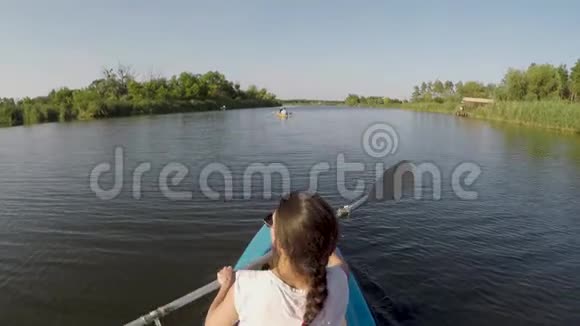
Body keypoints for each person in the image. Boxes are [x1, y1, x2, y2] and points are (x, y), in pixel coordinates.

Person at [205, 192, 349, 326]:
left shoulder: (247, 287)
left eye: (272, 224)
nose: (269, 227)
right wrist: (321, 242)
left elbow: (210, 324)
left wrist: (226, 285)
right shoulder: (340, 280)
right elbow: (342, 267)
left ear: (278, 243)